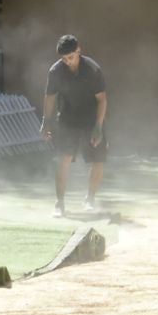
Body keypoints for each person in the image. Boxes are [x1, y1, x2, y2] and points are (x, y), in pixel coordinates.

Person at [41, 34, 109, 216]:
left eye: (70, 57)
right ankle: (60, 203)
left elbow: (102, 100)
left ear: (78, 51)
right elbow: (50, 98)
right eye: (63, 58)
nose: (67, 62)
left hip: (92, 117)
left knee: (98, 159)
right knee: (63, 158)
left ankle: (90, 199)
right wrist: (45, 122)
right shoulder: (55, 71)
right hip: (67, 118)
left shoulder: (92, 70)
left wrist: (98, 126)